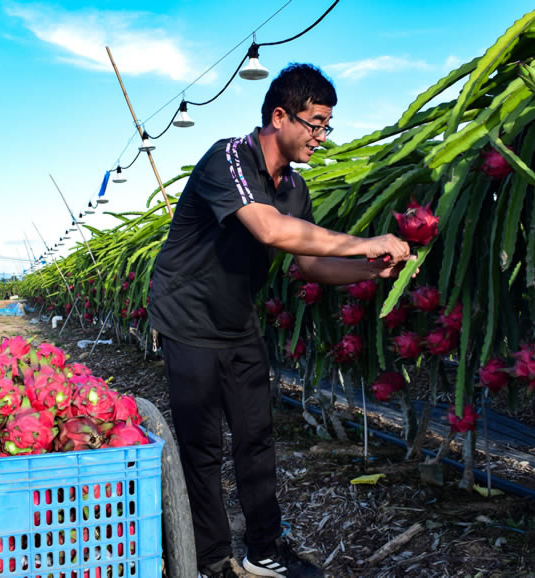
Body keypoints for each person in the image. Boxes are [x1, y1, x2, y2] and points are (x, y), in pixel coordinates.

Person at [148, 63, 413, 578]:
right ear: (279, 116)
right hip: (186, 319)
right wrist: (364, 241)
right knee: (202, 447)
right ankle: (212, 560)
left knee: (256, 436)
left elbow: (309, 263)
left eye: (327, 125)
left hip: (237, 320)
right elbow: (269, 230)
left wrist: (369, 268)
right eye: (315, 123)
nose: (322, 137)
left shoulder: (293, 187)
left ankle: (264, 551)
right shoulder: (228, 159)